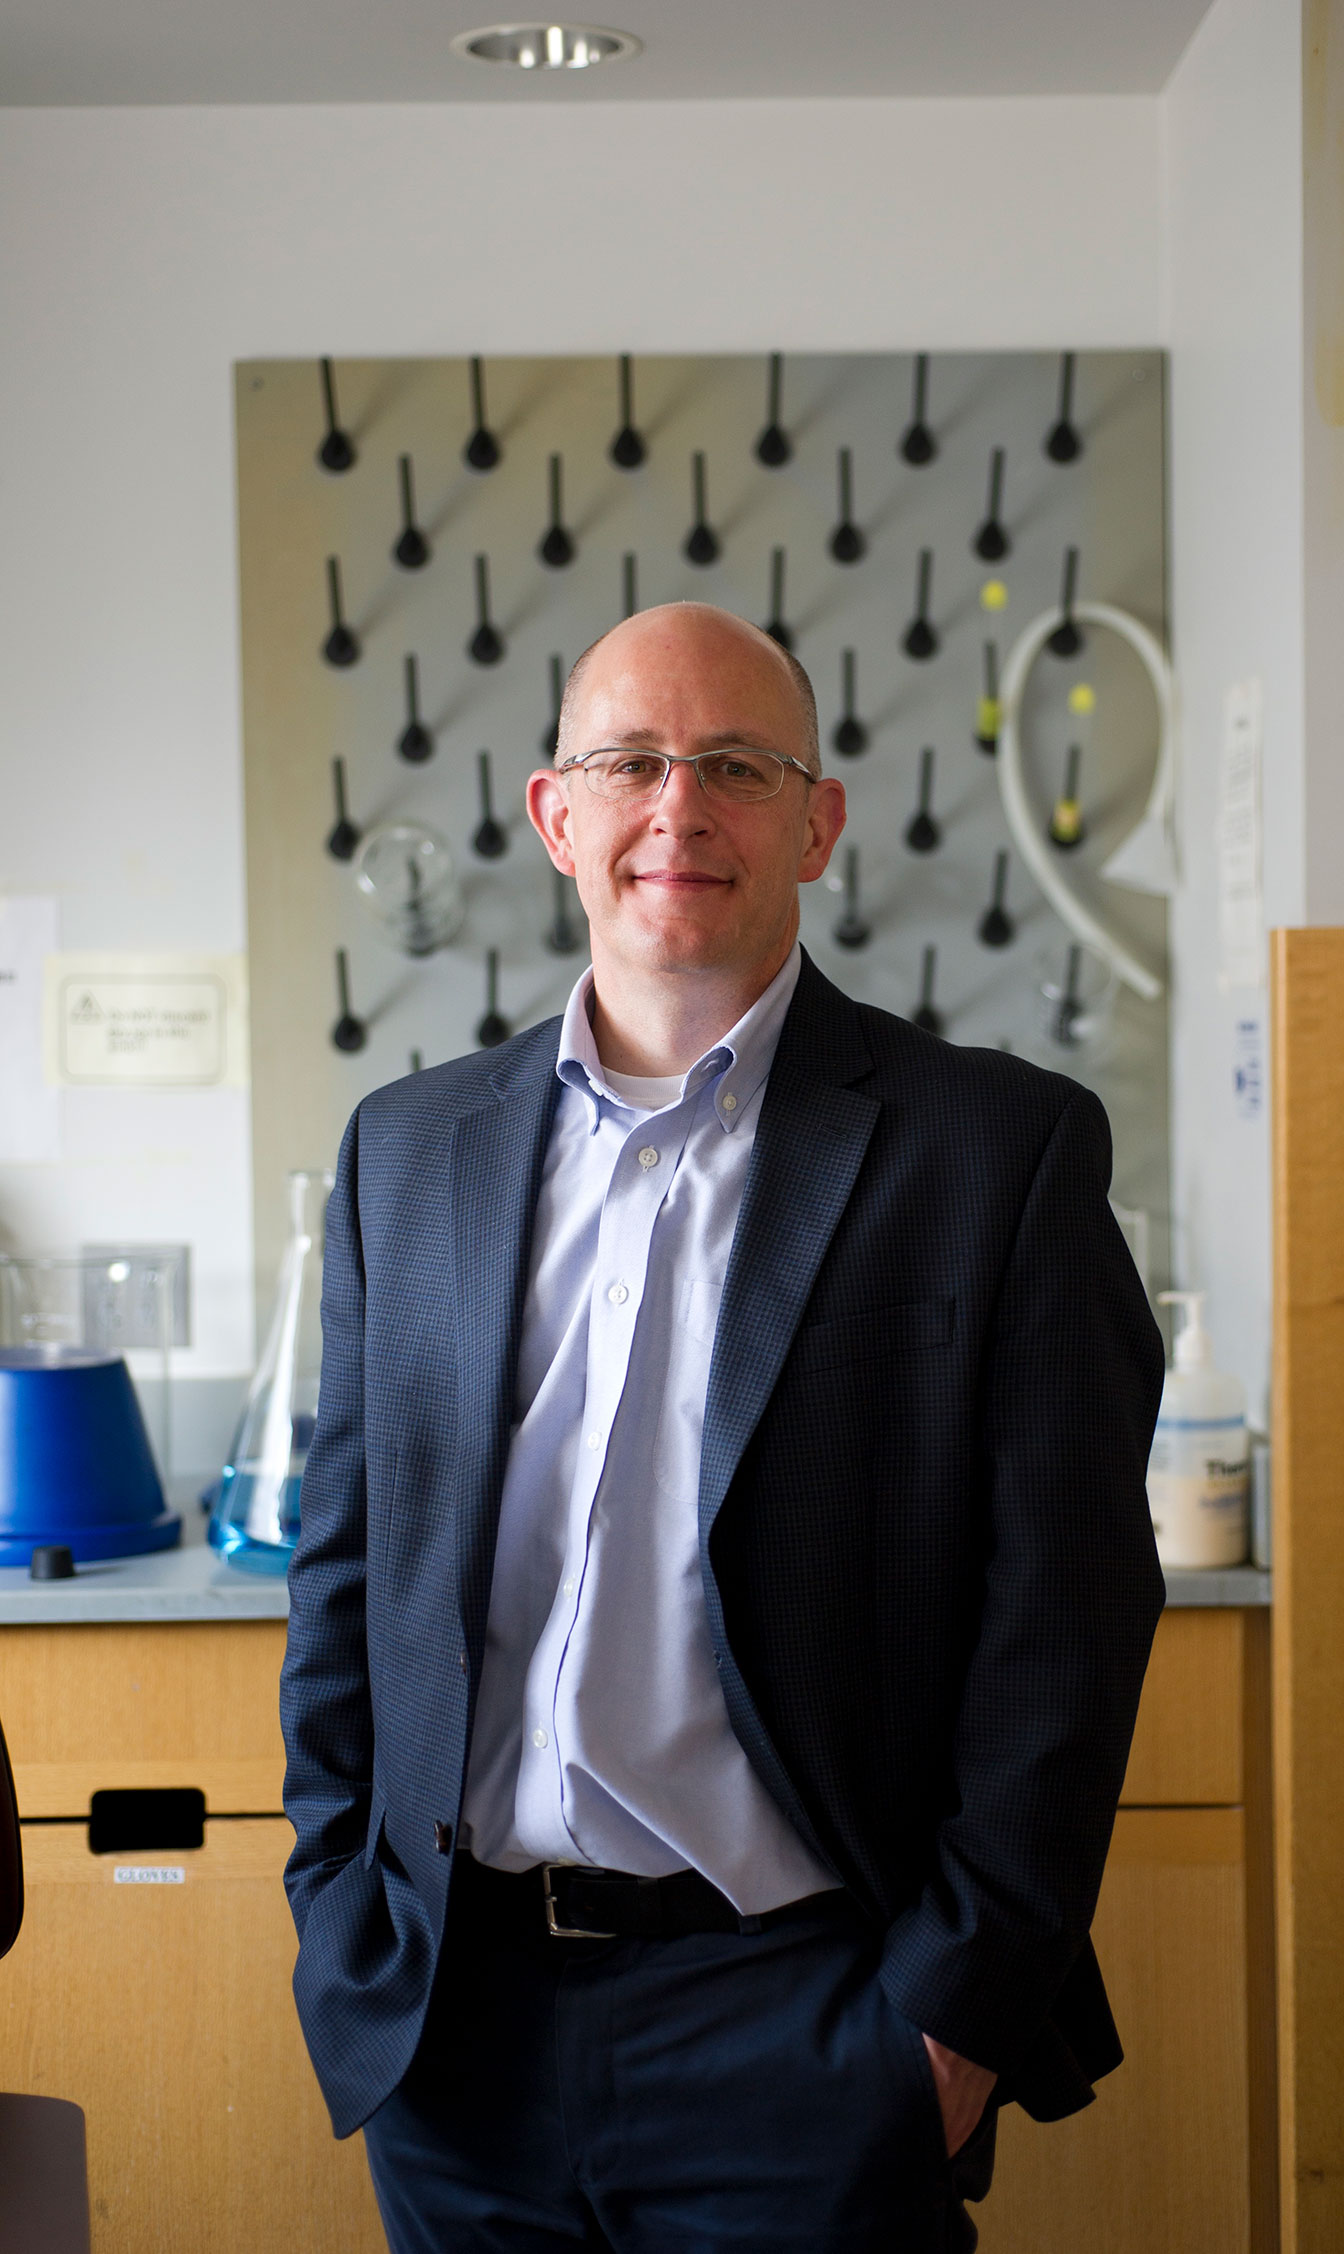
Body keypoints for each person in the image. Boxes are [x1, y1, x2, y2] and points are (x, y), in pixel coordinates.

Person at [281, 601, 1165, 2254]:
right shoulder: (407, 1154)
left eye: (737, 766)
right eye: (629, 762)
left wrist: (949, 2024)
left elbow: (1070, 1623)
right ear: (558, 814)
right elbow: (351, 1570)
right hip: (455, 2031)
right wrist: (344, 1912)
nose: (677, 808)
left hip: (810, 2021)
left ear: (817, 822)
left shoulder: (999, 1152)